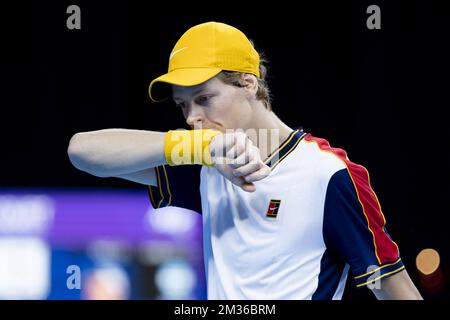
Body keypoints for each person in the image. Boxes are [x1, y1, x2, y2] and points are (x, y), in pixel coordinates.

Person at [68, 21, 422, 300]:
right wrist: (197, 149)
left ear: (249, 83)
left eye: (204, 98)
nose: (192, 118)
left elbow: (393, 287)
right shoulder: (204, 163)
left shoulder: (329, 174)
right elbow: (83, 152)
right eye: (182, 105)